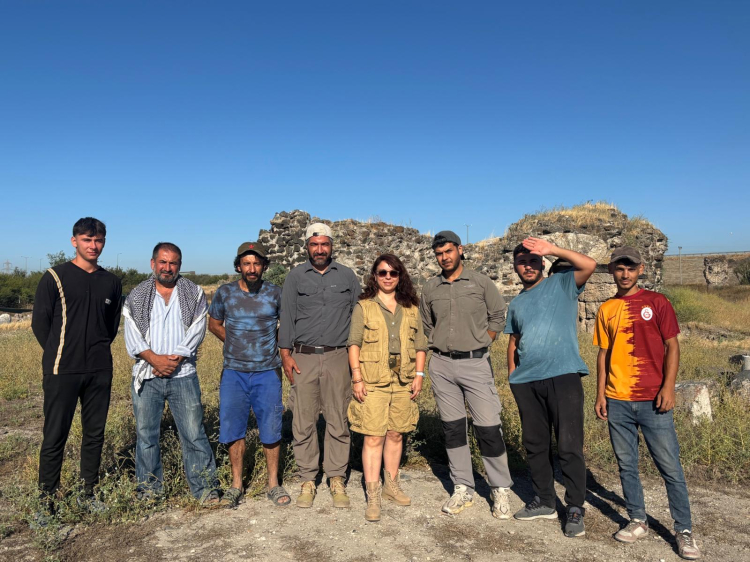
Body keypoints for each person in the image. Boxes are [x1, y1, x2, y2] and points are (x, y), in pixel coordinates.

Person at [594, 247, 700, 560]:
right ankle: (638, 519)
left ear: (641, 270)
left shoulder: (657, 302)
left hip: (653, 399)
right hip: (618, 399)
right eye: (619, 268)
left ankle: (683, 530)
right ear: (611, 271)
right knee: (627, 464)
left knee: (670, 466)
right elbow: (603, 354)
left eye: (630, 268)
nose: (624, 274)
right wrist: (600, 394)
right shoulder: (607, 309)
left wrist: (668, 387)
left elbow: (672, 346)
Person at [504, 237, 596, 537]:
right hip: (527, 382)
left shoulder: (562, 284)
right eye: (522, 262)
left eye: (533, 261)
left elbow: (590, 264)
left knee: (569, 445)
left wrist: (553, 249)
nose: (528, 266)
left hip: (563, 376)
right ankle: (544, 501)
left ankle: (575, 507)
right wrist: (512, 376)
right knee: (535, 444)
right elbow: (514, 340)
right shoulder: (516, 303)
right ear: (515, 266)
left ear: (542, 263)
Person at [32, 217, 122, 515]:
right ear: (74, 241)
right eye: (87, 239)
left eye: (98, 240)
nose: (93, 245)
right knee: (55, 435)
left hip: (99, 369)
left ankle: (88, 492)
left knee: (94, 434)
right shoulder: (54, 277)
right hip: (62, 369)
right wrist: (62, 351)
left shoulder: (111, 281)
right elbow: (40, 323)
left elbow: (110, 327)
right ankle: (46, 501)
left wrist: (94, 350)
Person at [419, 231, 513, 518]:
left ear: (460, 250)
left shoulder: (481, 282)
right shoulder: (430, 288)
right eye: (438, 254)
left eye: (448, 251)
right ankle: (462, 487)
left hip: (475, 363)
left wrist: (484, 340)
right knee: (453, 428)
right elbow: (426, 323)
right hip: (442, 364)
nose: (444, 257)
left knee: (488, 426)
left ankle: (500, 488)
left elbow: (498, 316)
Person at [123, 242, 220, 505]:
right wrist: (155, 359)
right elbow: (132, 335)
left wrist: (173, 360)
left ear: (179, 265)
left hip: (183, 375)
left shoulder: (193, 293)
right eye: (163, 262)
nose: (167, 268)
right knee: (146, 437)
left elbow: (197, 330)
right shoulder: (137, 296)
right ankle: (149, 492)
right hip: (147, 375)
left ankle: (205, 489)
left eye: (173, 263)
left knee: (194, 433)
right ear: (153, 263)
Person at [279, 223, 362, 508]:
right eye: (314, 245)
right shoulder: (295, 277)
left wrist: (356, 358)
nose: (319, 249)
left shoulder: (347, 276)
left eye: (324, 244)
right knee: (304, 420)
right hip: (303, 356)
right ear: (307, 247)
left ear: (331, 246)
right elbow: (287, 316)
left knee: (338, 419)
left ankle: (336, 477)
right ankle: (307, 478)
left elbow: (357, 316)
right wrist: (285, 355)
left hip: (338, 356)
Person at [208, 241, 290, 508]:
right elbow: (214, 323)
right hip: (234, 371)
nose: (252, 269)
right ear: (238, 266)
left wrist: (275, 344)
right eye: (246, 264)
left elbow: (287, 326)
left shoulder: (276, 293)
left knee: (271, 426)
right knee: (234, 427)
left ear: (264, 266)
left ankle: (273, 484)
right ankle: (236, 485)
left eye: (257, 264)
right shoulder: (225, 292)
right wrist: (234, 342)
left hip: (268, 371)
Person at [347, 254, 427, 521]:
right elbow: (354, 344)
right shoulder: (364, 307)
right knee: (373, 436)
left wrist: (419, 375)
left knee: (395, 433)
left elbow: (420, 345)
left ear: (400, 276)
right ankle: (373, 494)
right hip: (373, 379)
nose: (388, 277)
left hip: (403, 379)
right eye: (383, 273)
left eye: (393, 273)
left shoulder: (411, 307)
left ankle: (391, 485)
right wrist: (357, 378)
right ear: (375, 276)